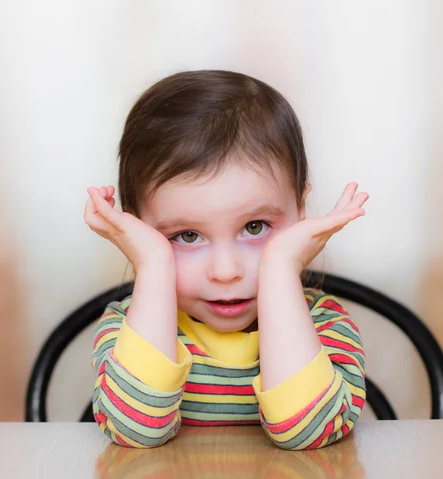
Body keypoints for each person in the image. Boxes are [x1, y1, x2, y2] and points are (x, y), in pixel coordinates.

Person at [85, 70, 368, 450]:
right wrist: (152, 264)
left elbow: (308, 432)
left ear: (301, 212)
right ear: (138, 232)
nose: (226, 271)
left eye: (255, 227)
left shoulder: (323, 325)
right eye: (186, 236)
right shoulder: (128, 327)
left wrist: (281, 269)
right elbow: (135, 431)